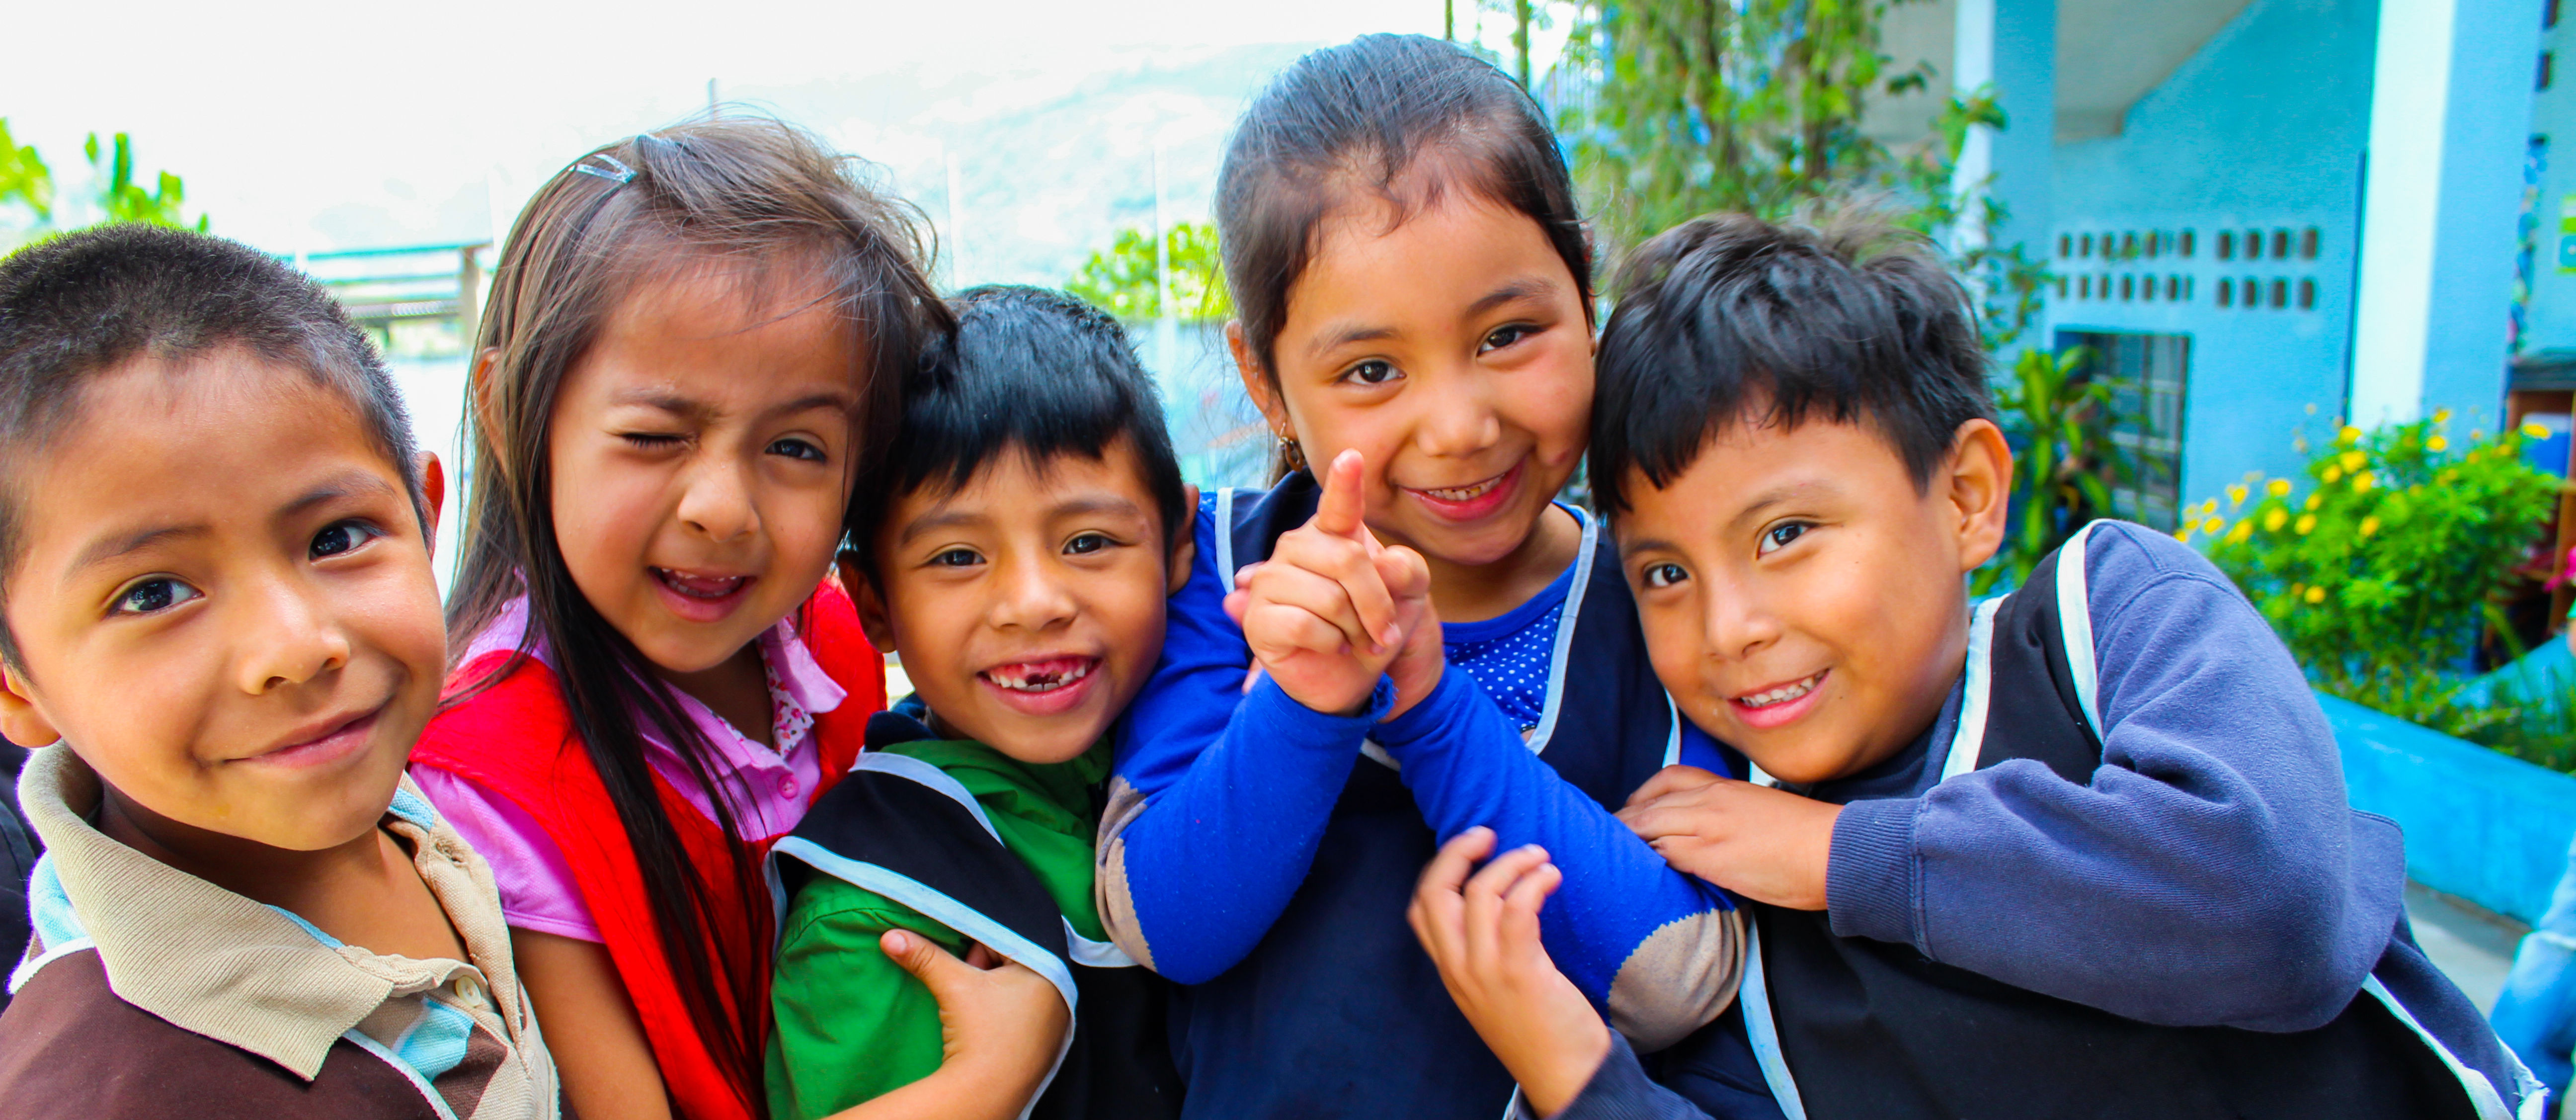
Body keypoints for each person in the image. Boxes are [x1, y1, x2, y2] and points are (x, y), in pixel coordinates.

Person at [1410, 209, 2544, 1120]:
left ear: (1966, 496)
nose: (1730, 626)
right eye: (1665, 573)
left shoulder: (2106, 624)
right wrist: (1577, 1073)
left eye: (1785, 533)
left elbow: (2273, 903)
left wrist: (1845, 853)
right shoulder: (1741, 903)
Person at [1097, 34, 1742, 1120]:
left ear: (1584, 299)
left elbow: (1678, 976)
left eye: (1508, 333)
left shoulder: (1658, 590)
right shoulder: (1217, 570)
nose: (1459, 425)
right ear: (1264, 379)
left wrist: (1432, 708)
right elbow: (1169, 927)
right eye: (1371, 370)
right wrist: (1306, 699)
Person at [405, 116, 1026, 1120]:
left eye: (797, 448)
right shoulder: (493, 772)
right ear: (510, 415)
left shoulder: (824, 638)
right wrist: (988, 1079)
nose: (722, 508)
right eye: (656, 435)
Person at [0, 225, 560, 1116]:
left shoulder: (409, 804)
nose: (297, 645)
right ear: (13, 683)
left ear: (425, 517)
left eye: (335, 538)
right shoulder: (116, 1088)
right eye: (153, 594)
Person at [767, 285, 1190, 1120]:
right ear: (875, 604)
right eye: (959, 556)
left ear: (1178, 545)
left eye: (1088, 542)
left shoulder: (1216, 746)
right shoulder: (879, 908)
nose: (1033, 602)